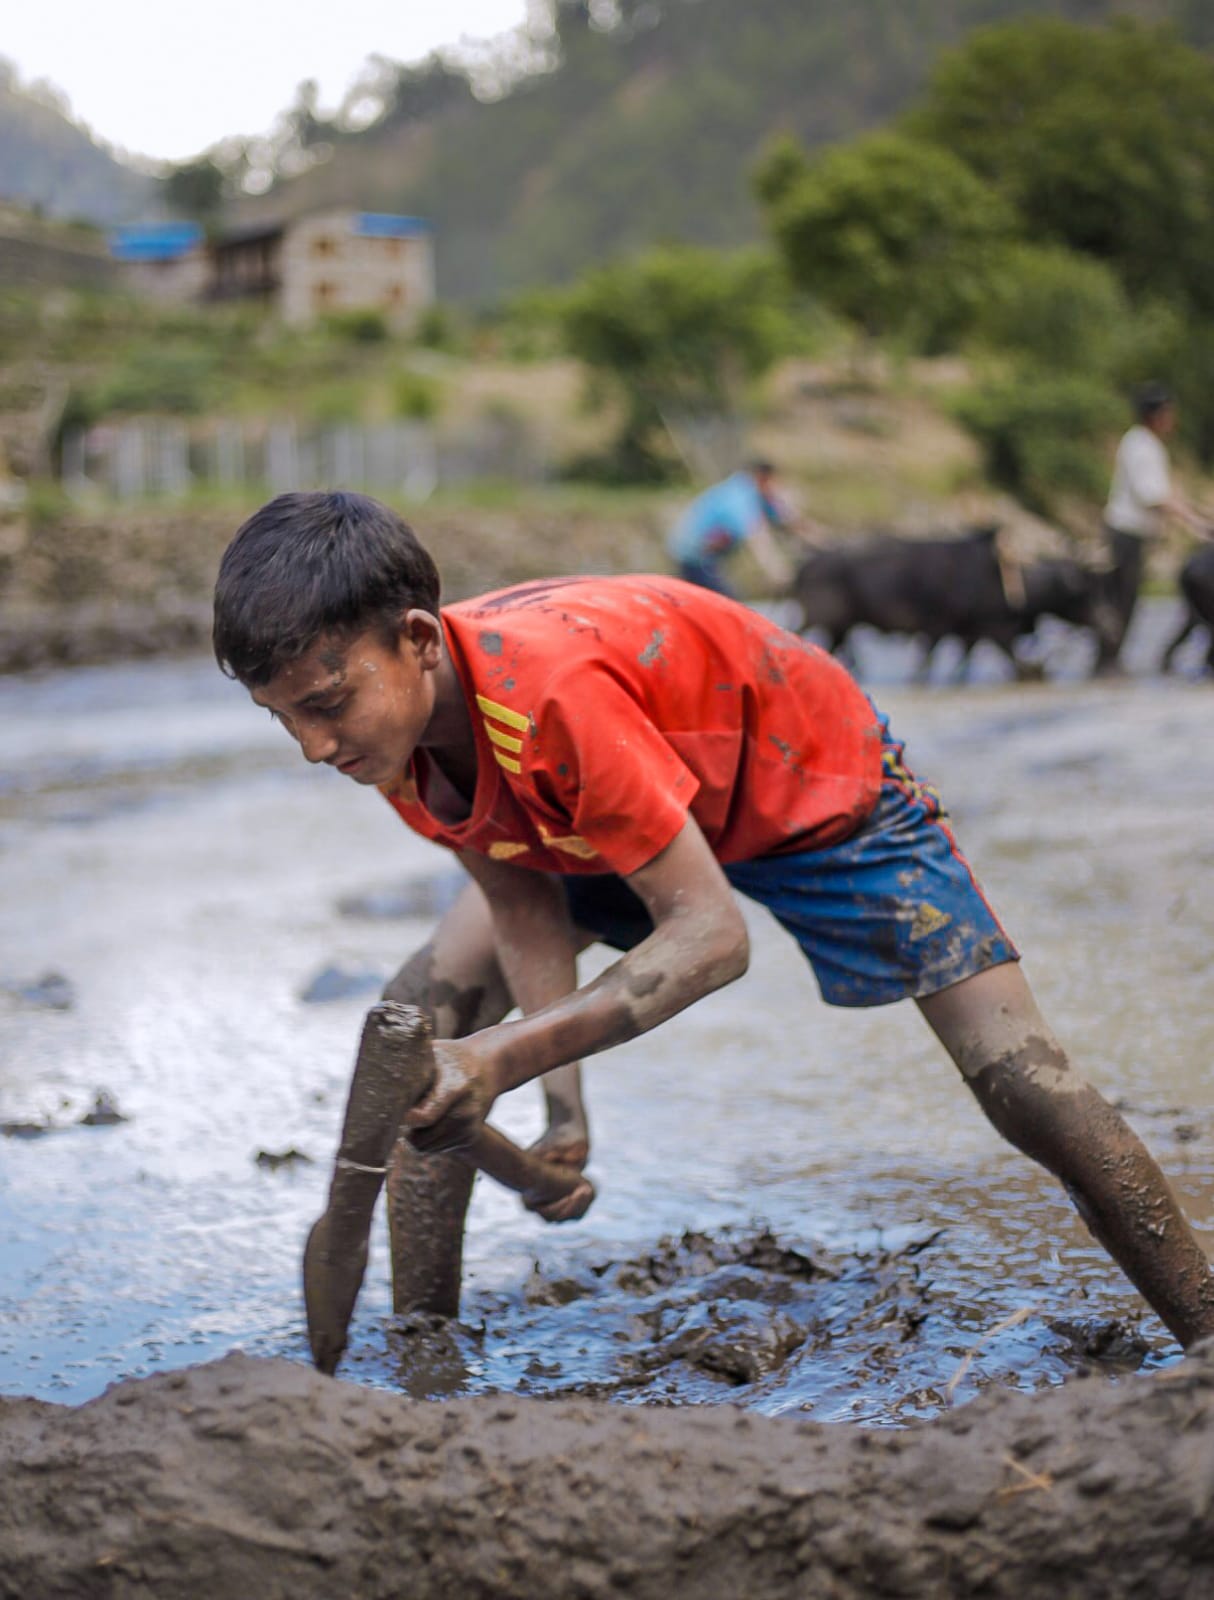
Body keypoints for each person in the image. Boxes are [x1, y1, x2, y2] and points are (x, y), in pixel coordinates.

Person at [213, 490, 1214, 1348]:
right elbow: (521, 895)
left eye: (325, 704)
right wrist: (562, 1110)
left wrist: (501, 1060)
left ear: (418, 641)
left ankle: (1202, 1323)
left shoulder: (549, 697)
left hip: (814, 789)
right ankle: (419, 1358)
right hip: (615, 812)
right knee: (423, 1022)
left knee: (1022, 1082)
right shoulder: (389, 739)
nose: (312, 746)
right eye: (284, 717)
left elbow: (710, 936)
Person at [1096, 383, 1213, 674]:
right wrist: (1197, 523)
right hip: (1126, 533)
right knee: (1122, 601)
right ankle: (1107, 665)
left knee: (1126, 599)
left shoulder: (1142, 443)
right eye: (1169, 414)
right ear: (1157, 416)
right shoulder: (1142, 446)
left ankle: (1111, 665)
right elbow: (1154, 496)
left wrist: (1197, 514)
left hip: (1132, 533)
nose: (1173, 420)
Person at [667, 460, 811, 597]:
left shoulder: (756, 494)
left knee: (717, 600)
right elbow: (757, 537)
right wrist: (778, 573)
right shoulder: (739, 496)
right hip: (693, 555)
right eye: (772, 482)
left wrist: (827, 545)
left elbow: (790, 522)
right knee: (725, 601)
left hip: (708, 556)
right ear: (762, 478)